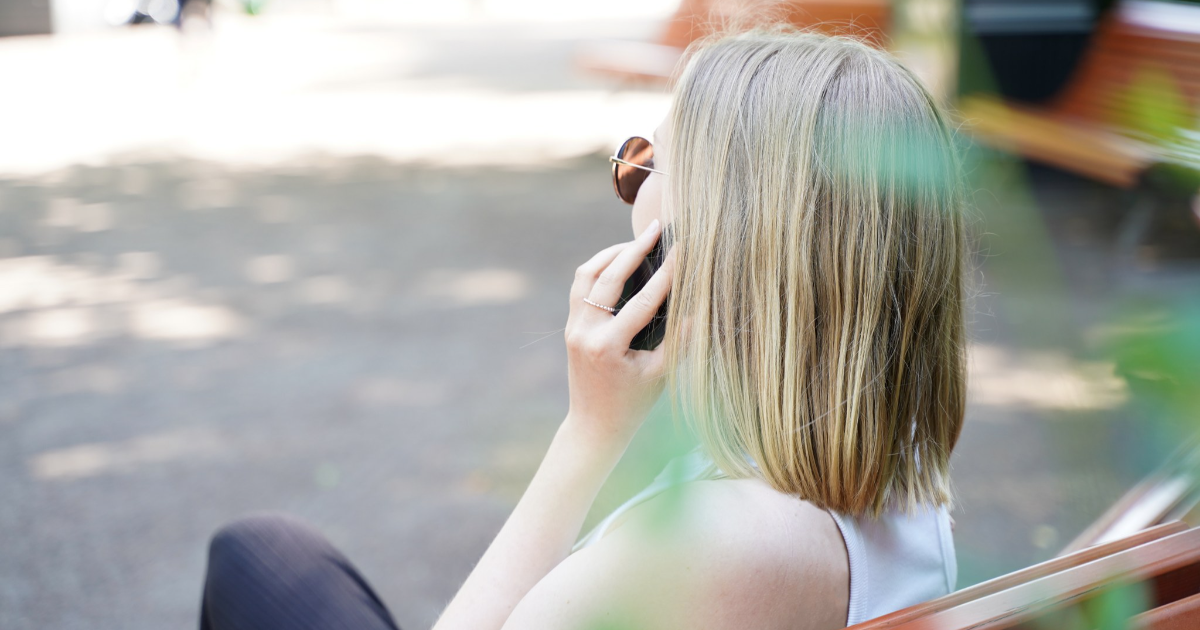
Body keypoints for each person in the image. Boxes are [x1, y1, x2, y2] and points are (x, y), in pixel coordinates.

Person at [199, 27, 967, 630]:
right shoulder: (898, 470)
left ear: (723, 246)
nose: (628, 192)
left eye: (642, 168)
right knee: (269, 553)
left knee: (256, 558)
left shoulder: (720, 543)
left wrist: (590, 433)